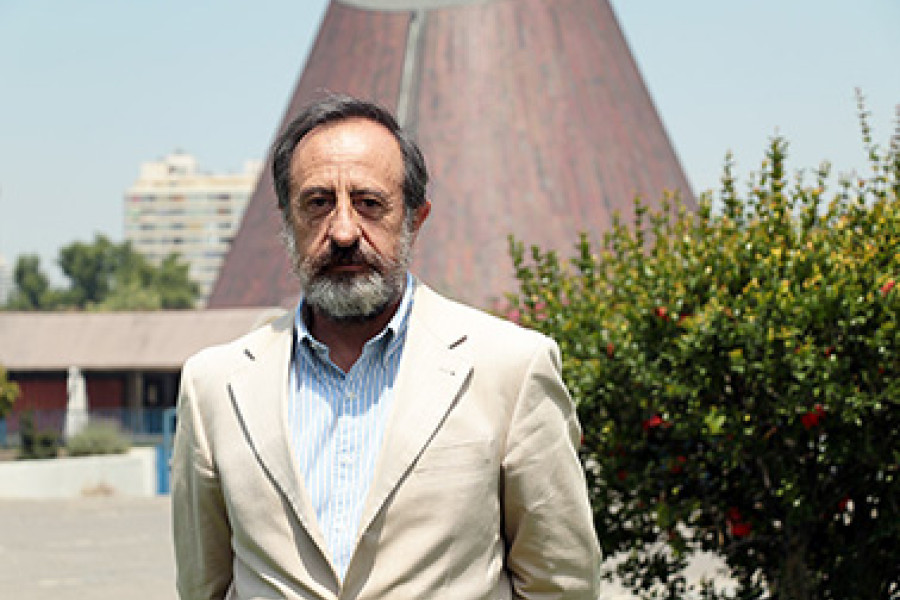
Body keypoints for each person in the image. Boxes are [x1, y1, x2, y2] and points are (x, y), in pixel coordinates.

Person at [172, 94, 599, 600]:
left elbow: (561, 583)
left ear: (416, 219)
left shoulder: (510, 368)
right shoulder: (215, 386)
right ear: (287, 221)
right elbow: (203, 587)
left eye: (369, 204)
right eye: (318, 203)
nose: (343, 231)